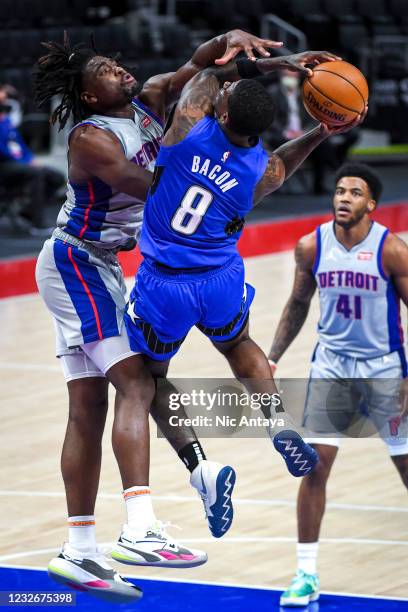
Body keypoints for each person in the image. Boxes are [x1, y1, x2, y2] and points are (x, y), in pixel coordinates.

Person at [33, 29, 283, 600]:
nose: (118, 68)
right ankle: (141, 528)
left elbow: (198, 68)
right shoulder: (92, 136)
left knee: (89, 409)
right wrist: (225, 179)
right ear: (90, 96)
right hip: (78, 262)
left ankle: (79, 550)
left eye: (116, 60)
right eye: (103, 68)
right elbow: (149, 185)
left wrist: (235, 47)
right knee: (138, 382)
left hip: (98, 268)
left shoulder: (148, 102)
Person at [120, 57, 365, 567]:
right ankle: (275, 420)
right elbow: (284, 164)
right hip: (221, 280)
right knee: (238, 344)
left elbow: (206, 71)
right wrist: (323, 128)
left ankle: (194, 466)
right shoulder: (260, 168)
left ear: (222, 115)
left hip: (165, 281)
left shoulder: (188, 129)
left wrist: (243, 59)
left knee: (148, 377)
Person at [268, 163, 408, 607]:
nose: (344, 197)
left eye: (355, 192)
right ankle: (306, 574)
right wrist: (272, 357)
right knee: (314, 468)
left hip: (384, 367)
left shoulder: (392, 251)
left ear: (371, 204)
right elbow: (297, 304)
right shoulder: (312, 246)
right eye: (340, 190)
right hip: (332, 367)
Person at [265, 70, 358, 194]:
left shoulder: (305, 94)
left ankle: (319, 185)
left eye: (293, 76)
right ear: (281, 76)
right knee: (324, 146)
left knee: (322, 144)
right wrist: (286, 132)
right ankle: (337, 170)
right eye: (287, 76)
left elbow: (313, 118)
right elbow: (270, 118)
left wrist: (304, 132)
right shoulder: (273, 93)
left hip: (302, 133)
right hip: (281, 135)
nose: (290, 78)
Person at [0, 86, 65, 233]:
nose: (4, 99)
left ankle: (28, 210)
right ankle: (37, 222)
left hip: (18, 163)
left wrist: (30, 159)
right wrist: (24, 163)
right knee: (36, 173)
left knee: (56, 177)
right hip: (4, 165)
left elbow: (19, 144)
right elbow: (2, 150)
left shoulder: (6, 120)